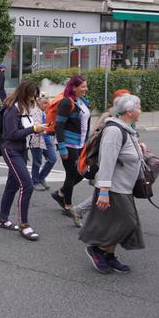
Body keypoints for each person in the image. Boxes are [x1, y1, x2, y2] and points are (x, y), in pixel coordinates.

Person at [79, 94, 145, 274]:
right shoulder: (114, 131)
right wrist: (104, 191)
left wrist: (139, 149)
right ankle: (96, 249)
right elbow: (107, 161)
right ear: (129, 111)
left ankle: (109, 256)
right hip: (114, 187)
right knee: (127, 223)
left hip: (124, 186)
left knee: (115, 223)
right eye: (139, 108)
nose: (141, 111)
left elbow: (125, 153)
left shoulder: (126, 129)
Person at [72, 89, 133, 225]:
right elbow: (95, 136)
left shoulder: (127, 115)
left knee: (107, 192)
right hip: (108, 160)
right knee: (107, 191)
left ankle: (80, 211)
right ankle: (98, 222)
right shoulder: (109, 116)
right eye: (128, 98)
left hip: (120, 160)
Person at [0, 81, 47, 240]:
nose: (34, 99)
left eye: (35, 96)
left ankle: (3, 219)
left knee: (11, 185)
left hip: (20, 151)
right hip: (11, 150)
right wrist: (33, 129)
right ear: (24, 94)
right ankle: (24, 225)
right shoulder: (12, 109)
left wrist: (38, 129)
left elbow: (25, 131)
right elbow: (11, 134)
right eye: (32, 96)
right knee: (27, 185)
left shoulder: (23, 107)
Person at [50, 75, 90, 224]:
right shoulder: (66, 102)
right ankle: (68, 206)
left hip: (81, 144)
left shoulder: (81, 101)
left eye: (86, 86)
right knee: (72, 174)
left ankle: (61, 193)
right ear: (74, 87)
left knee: (83, 172)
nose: (86, 89)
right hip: (69, 144)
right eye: (83, 86)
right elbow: (59, 126)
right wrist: (62, 148)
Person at [30, 93, 56, 192]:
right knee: (37, 161)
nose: (47, 105)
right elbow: (35, 127)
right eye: (45, 103)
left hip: (46, 137)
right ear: (38, 102)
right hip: (36, 138)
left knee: (52, 159)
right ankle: (35, 182)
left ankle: (41, 178)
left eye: (47, 103)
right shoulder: (34, 111)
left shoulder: (45, 110)